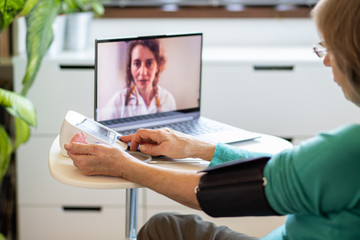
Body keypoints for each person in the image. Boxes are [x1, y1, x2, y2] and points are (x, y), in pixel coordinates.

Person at [64, 0, 360, 239]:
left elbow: (212, 194)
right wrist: (195, 147)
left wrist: (123, 165)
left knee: (162, 228)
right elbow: (281, 167)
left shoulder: (349, 149)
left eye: (330, 47)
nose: (325, 59)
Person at [101, 39, 176, 119]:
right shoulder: (119, 100)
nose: (143, 72)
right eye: (137, 64)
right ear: (130, 67)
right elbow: (100, 128)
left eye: (149, 63)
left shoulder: (167, 99)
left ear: (157, 67)